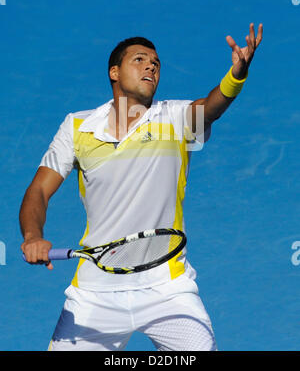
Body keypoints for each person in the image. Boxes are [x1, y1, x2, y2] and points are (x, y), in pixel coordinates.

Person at [19, 24, 263, 351]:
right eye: (140, 59)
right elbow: (39, 190)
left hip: (167, 288)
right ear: (114, 72)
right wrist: (33, 237)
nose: (151, 66)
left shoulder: (174, 119)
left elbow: (211, 107)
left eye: (156, 63)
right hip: (95, 293)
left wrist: (236, 76)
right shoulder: (77, 127)